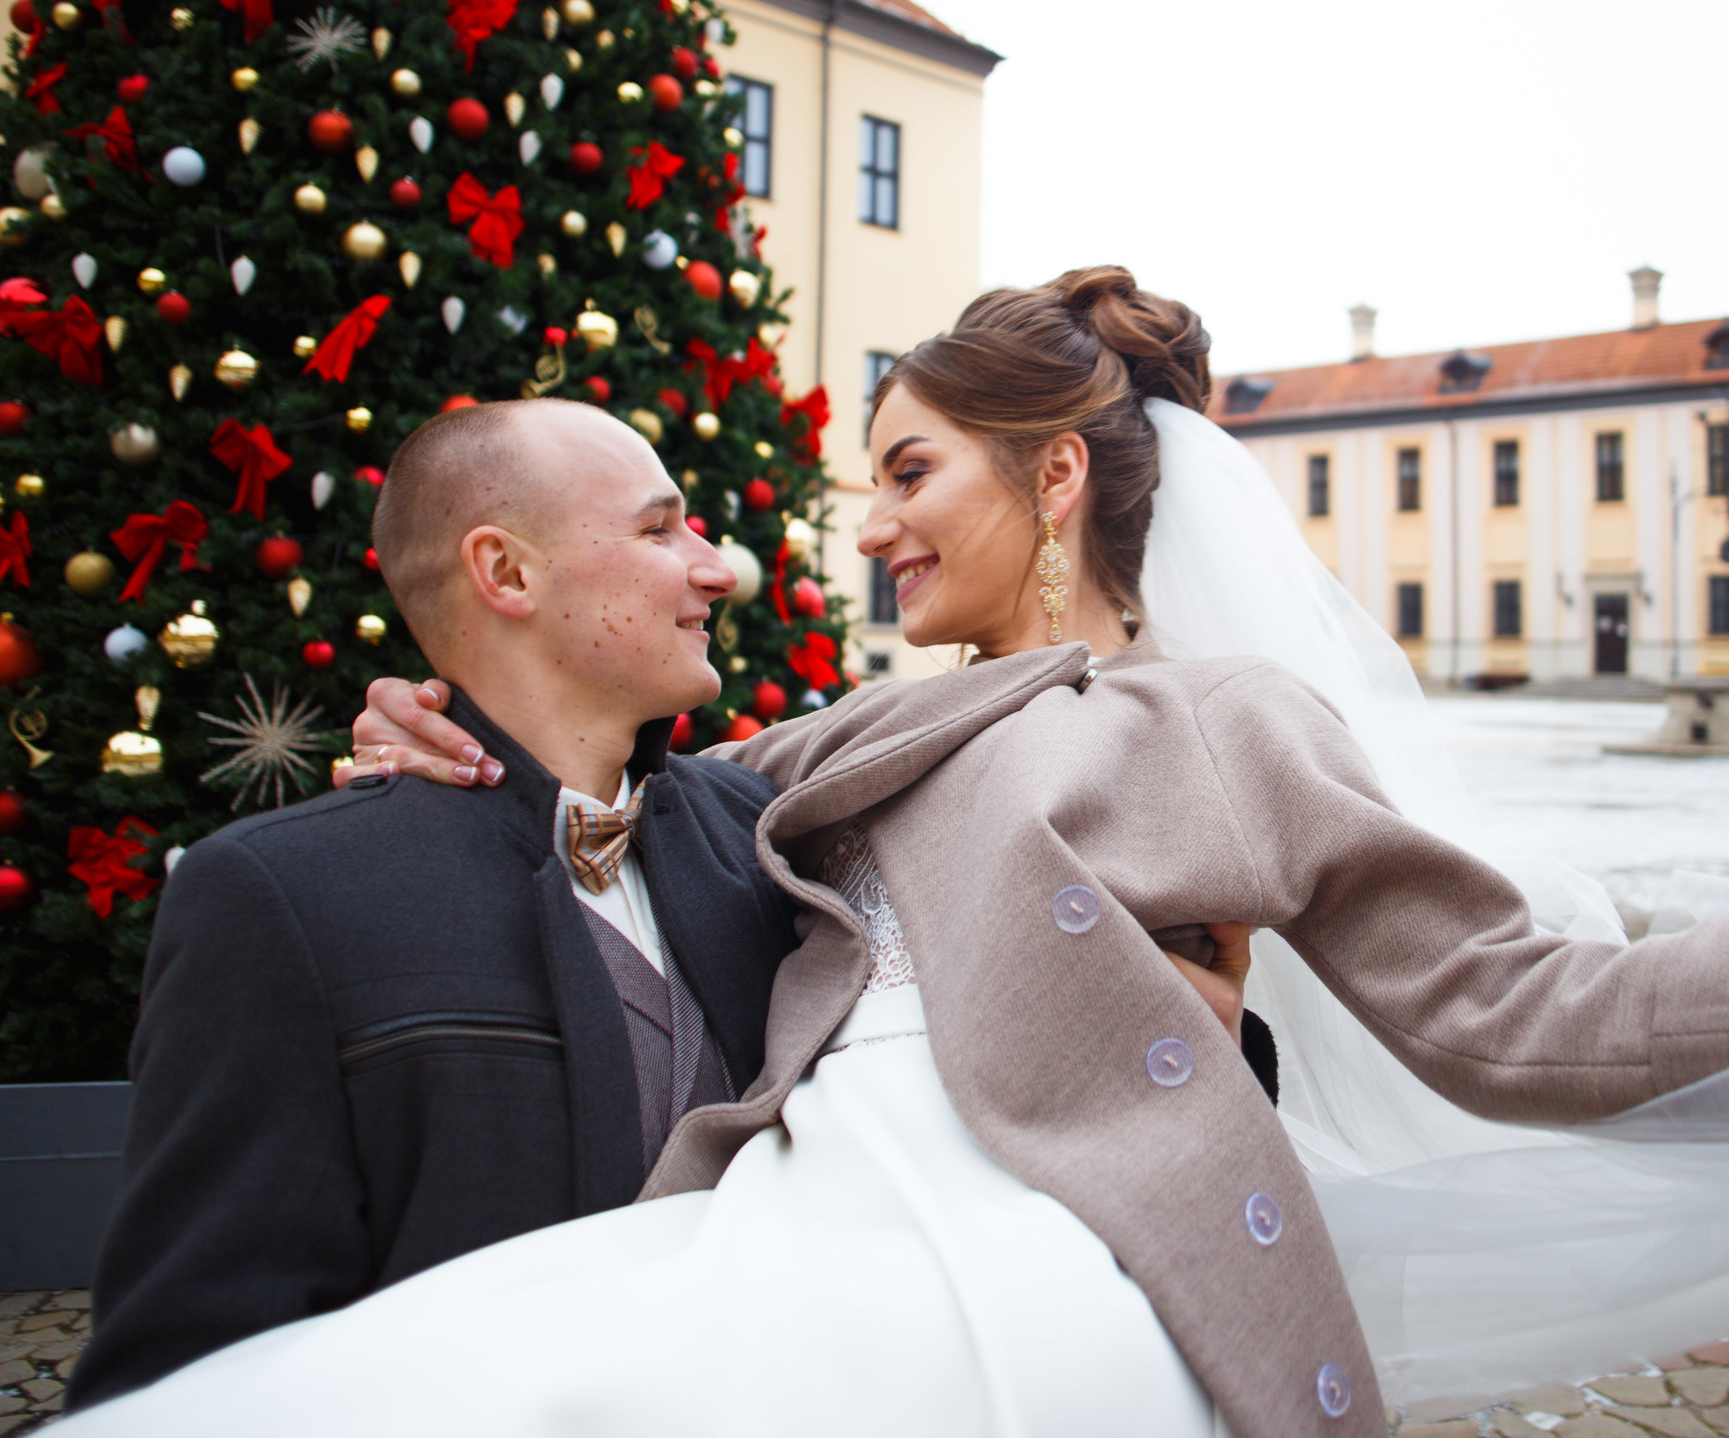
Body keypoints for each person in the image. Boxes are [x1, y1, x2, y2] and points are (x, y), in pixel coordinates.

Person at [58, 270, 1729, 1437]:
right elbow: (595, 784)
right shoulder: (824, 738)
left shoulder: (1237, 728)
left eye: (904, 470)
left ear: (1052, 477)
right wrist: (415, 724)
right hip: (770, 1236)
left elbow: (1502, 1001)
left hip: (1045, 1276)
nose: (859, 524)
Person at [69, 393, 1263, 1411]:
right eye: (660, 529)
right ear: (505, 571)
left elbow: (994, 1068)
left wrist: (1208, 1028)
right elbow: (191, 1367)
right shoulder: (280, 896)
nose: (714, 566)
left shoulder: (778, 835)